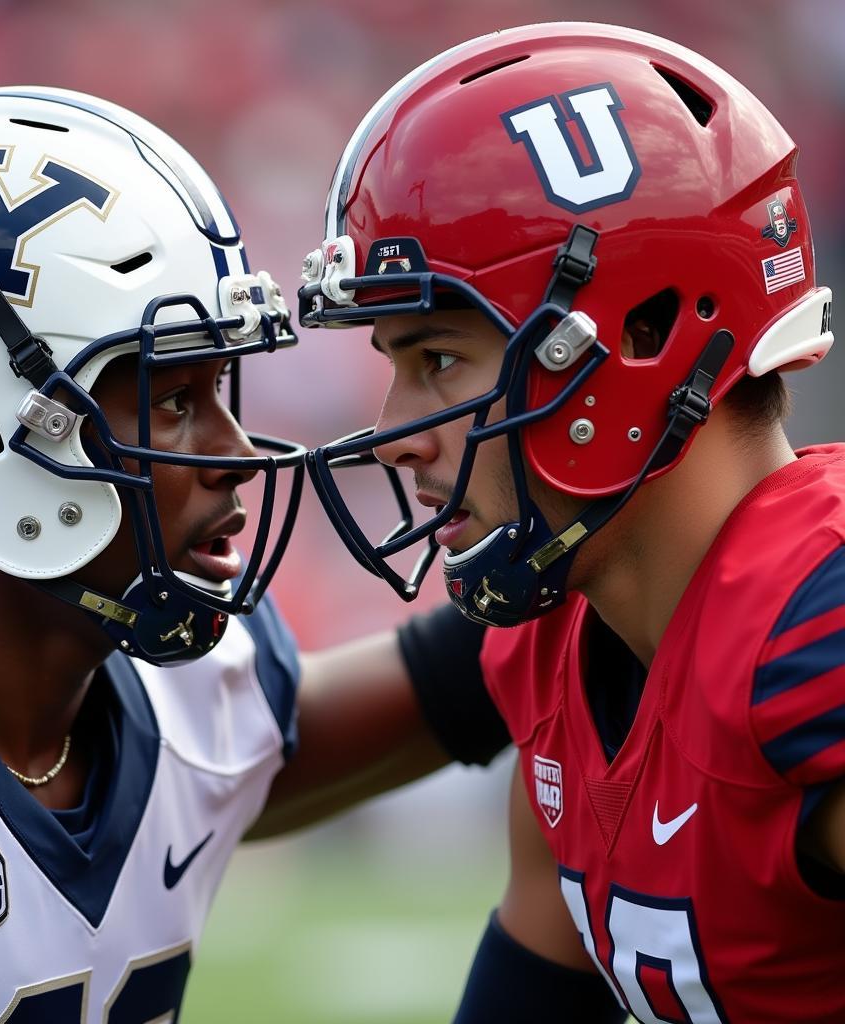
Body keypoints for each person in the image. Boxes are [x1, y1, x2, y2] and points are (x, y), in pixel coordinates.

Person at [0, 87, 506, 1022]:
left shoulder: (190, 691)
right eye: (176, 399)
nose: (236, 456)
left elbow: (456, 689)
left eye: (222, 386)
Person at [300, 21, 843, 1024]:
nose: (391, 435)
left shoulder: (816, 634)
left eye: (437, 359)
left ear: (641, 335)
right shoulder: (560, 633)